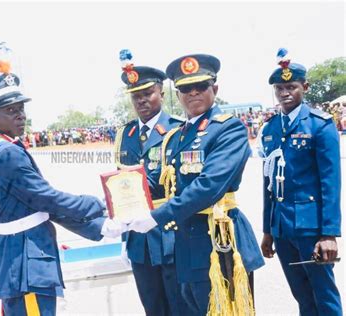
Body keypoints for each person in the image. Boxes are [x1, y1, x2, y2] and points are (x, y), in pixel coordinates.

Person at [0, 42, 123, 315]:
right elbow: (47, 200)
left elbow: (39, 206)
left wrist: (97, 228)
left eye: (21, 108)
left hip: (16, 260)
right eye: (11, 110)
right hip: (26, 264)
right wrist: (99, 204)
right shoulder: (7, 154)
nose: (21, 116)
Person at [124, 54, 265, 315]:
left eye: (201, 86)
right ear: (177, 95)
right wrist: (117, 206)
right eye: (186, 89)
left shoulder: (228, 129)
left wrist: (156, 217)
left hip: (219, 240)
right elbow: (158, 182)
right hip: (185, 243)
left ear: (215, 88)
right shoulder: (178, 136)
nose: (193, 93)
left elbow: (209, 186)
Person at [260, 48, 342, 315]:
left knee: (324, 295)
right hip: (282, 227)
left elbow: (331, 182)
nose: (285, 93)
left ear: (304, 87)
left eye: (291, 87)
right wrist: (268, 230)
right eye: (279, 88)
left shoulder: (320, 124)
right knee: (302, 296)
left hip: (311, 226)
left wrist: (329, 233)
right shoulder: (271, 129)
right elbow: (268, 184)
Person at [114, 49, 188, 315]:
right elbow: (120, 187)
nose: (141, 100)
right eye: (136, 96)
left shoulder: (179, 129)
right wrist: (125, 238)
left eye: (147, 93)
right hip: (139, 239)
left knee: (181, 306)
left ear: (162, 93)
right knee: (153, 307)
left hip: (171, 233)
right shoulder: (126, 134)